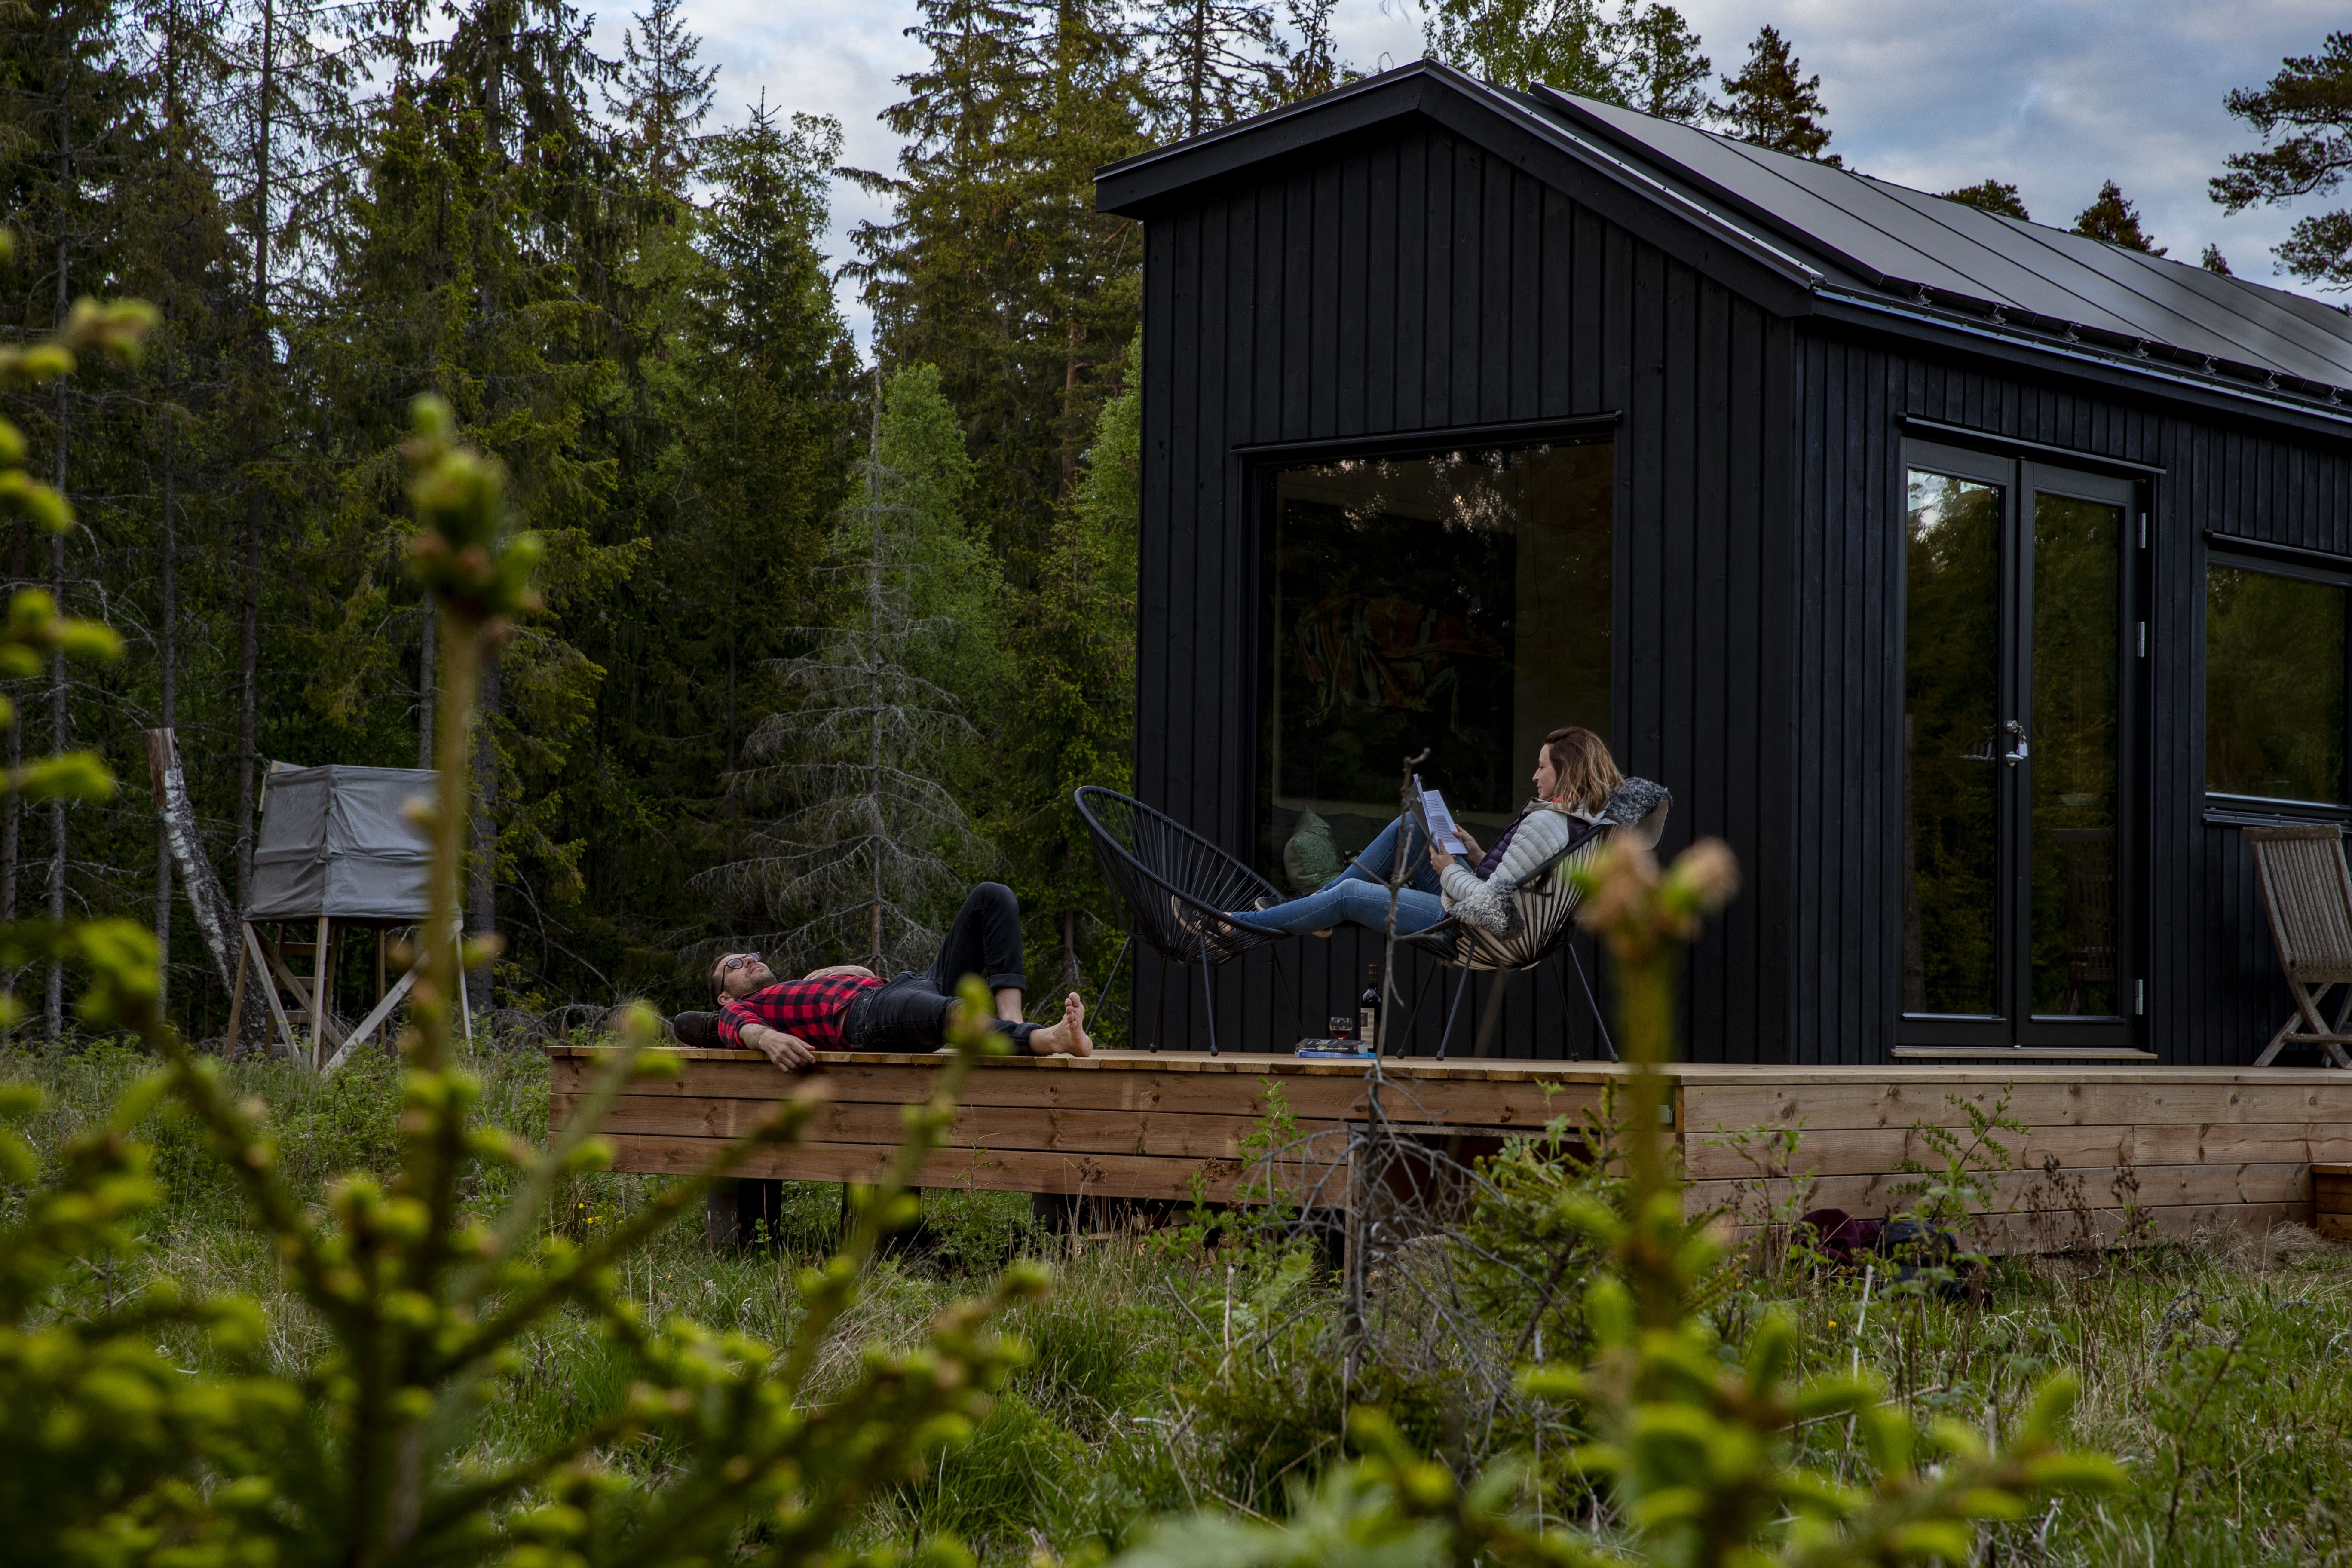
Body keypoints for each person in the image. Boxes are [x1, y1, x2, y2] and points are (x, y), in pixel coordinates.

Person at [1223, 726, 1669, 939]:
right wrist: (1474, 854)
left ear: (1565, 771)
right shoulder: (1578, 823)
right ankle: (1311, 912)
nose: (1535, 777)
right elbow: (1518, 884)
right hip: (1479, 907)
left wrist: (1449, 869)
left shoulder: (1548, 823)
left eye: (1541, 767)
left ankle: (1238, 925)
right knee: (1410, 826)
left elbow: (1495, 912)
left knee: (1350, 895)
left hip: (1469, 926)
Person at [705, 882, 1093, 1071]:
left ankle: (1015, 1024)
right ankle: (1047, 1039)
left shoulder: (798, 986)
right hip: (867, 1018)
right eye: (734, 965)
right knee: (954, 1011)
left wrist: (855, 971)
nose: (748, 961)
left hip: (903, 987)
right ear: (725, 995)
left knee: (992, 897)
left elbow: (868, 980)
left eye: (750, 956)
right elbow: (727, 1023)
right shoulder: (751, 1009)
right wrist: (767, 1039)